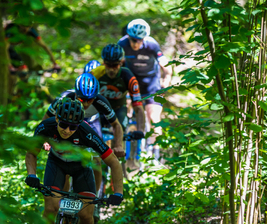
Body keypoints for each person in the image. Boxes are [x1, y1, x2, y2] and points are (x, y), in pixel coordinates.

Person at [25, 98, 124, 224]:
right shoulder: (45, 127)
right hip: (57, 165)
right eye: (63, 124)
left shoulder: (87, 133)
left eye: (73, 127)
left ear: (80, 124)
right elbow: (31, 153)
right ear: (56, 119)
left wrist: (118, 193)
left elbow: (114, 163)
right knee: (51, 208)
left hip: (82, 168)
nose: (67, 130)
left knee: (86, 215)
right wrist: (32, 174)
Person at [43, 73, 125, 192]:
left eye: (90, 100)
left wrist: (118, 145)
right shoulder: (64, 98)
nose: (86, 103)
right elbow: (46, 119)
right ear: (76, 94)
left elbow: (116, 125)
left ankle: (94, 198)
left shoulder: (101, 101)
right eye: (81, 99)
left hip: (91, 123)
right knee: (64, 158)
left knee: (96, 160)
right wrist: (46, 139)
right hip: (69, 125)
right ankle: (63, 199)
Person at [118, 19, 171, 161]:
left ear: (144, 39)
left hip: (151, 84)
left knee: (153, 118)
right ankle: (128, 142)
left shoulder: (152, 45)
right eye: (133, 40)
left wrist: (165, 82)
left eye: (139, 40)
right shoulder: (122, 44)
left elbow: (166, 66)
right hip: (132, 82)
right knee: (127, 109)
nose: (135, 44)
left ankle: (155, 154)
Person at [90, 43, 146, 133]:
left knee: (118, 130)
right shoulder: (95, 73)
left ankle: (118, 147)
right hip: (98, 109)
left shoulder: (129, 77)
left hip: (118, 109)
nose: (111, 69)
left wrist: (140, 130)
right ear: (103, 62)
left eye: (115, 65)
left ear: (121, 62)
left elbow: (138, 106)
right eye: (108, 65)